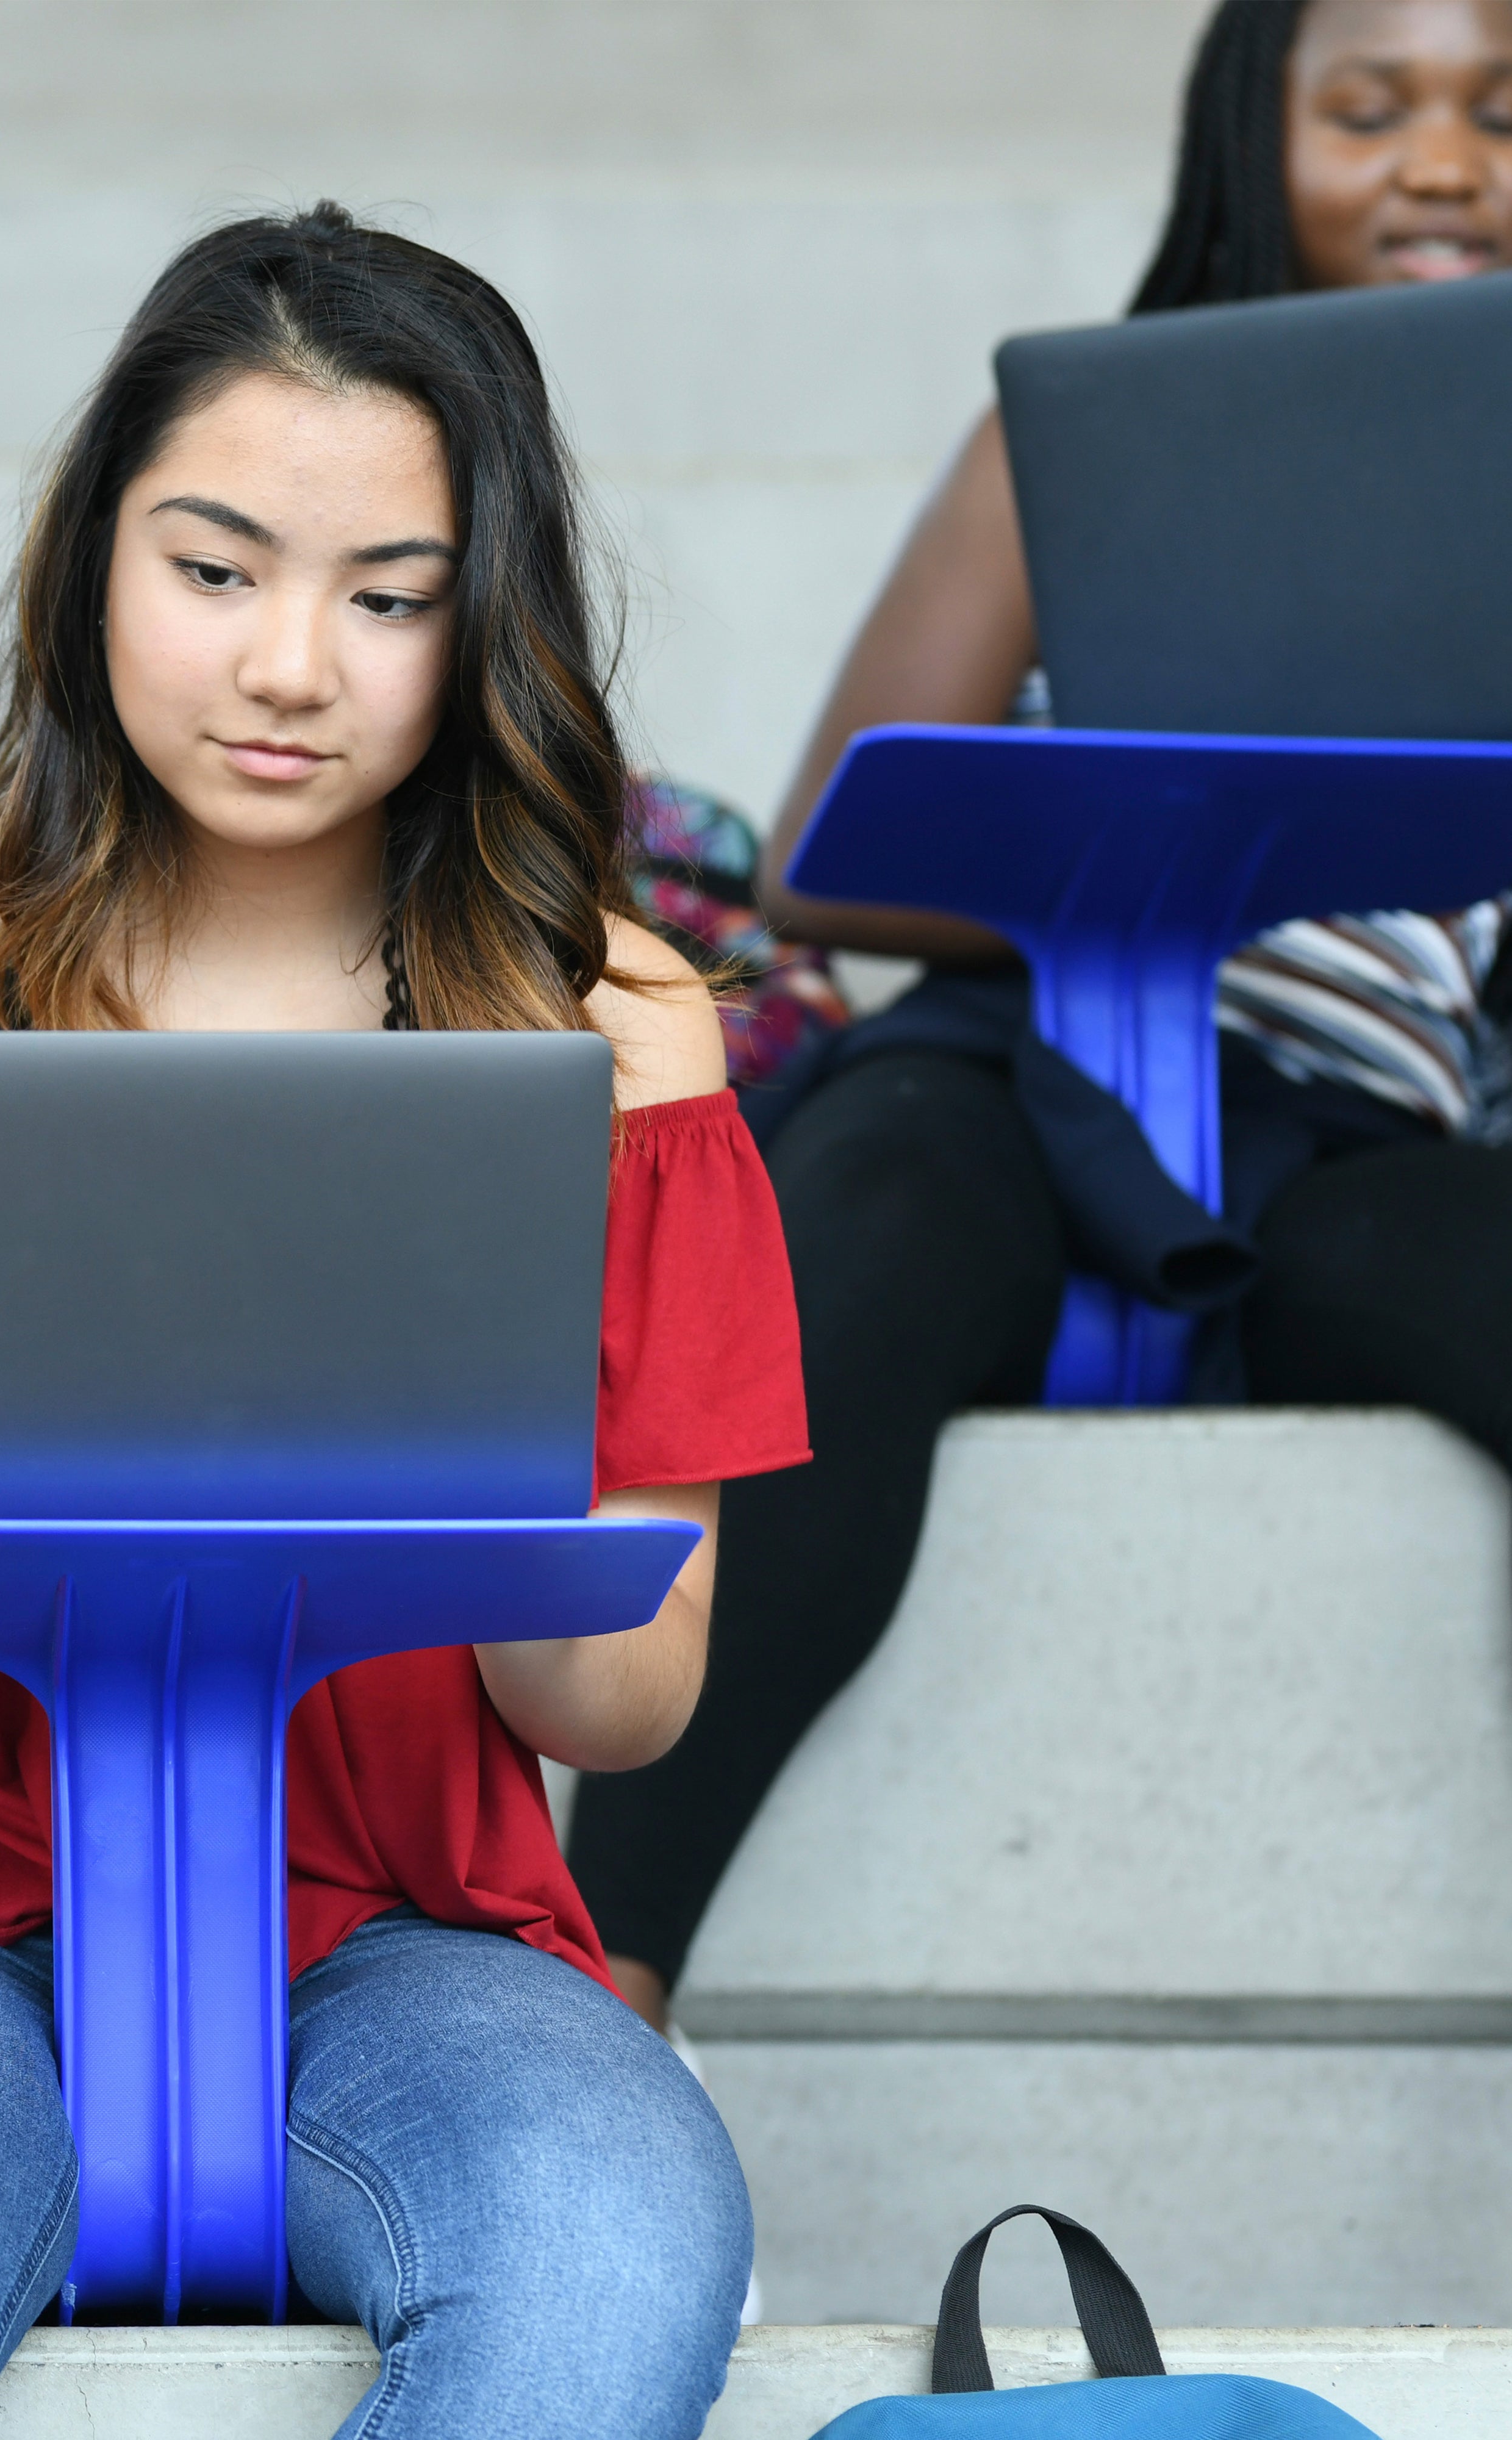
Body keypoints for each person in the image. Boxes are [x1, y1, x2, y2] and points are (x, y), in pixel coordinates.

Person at [0, 205, 808, 2439]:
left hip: (400, 1933)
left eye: (389, 603)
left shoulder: (613, 1039)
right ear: (96, 565)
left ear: (488, 632)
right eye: (216, 569)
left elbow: (630, 1695)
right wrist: (18, 1484)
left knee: (607, 2251)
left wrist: (435, 1458)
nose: (290, 668)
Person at [567, 0, 1512, 2036]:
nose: (1444, 160)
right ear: (1248, 141)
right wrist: (1205, 852)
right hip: (1025, 1063)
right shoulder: (1087, 437)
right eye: (1370, 110)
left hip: (1361, 1143)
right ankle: (600, 1972)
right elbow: (829, 840)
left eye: (1502, 116)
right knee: (869, 1233)